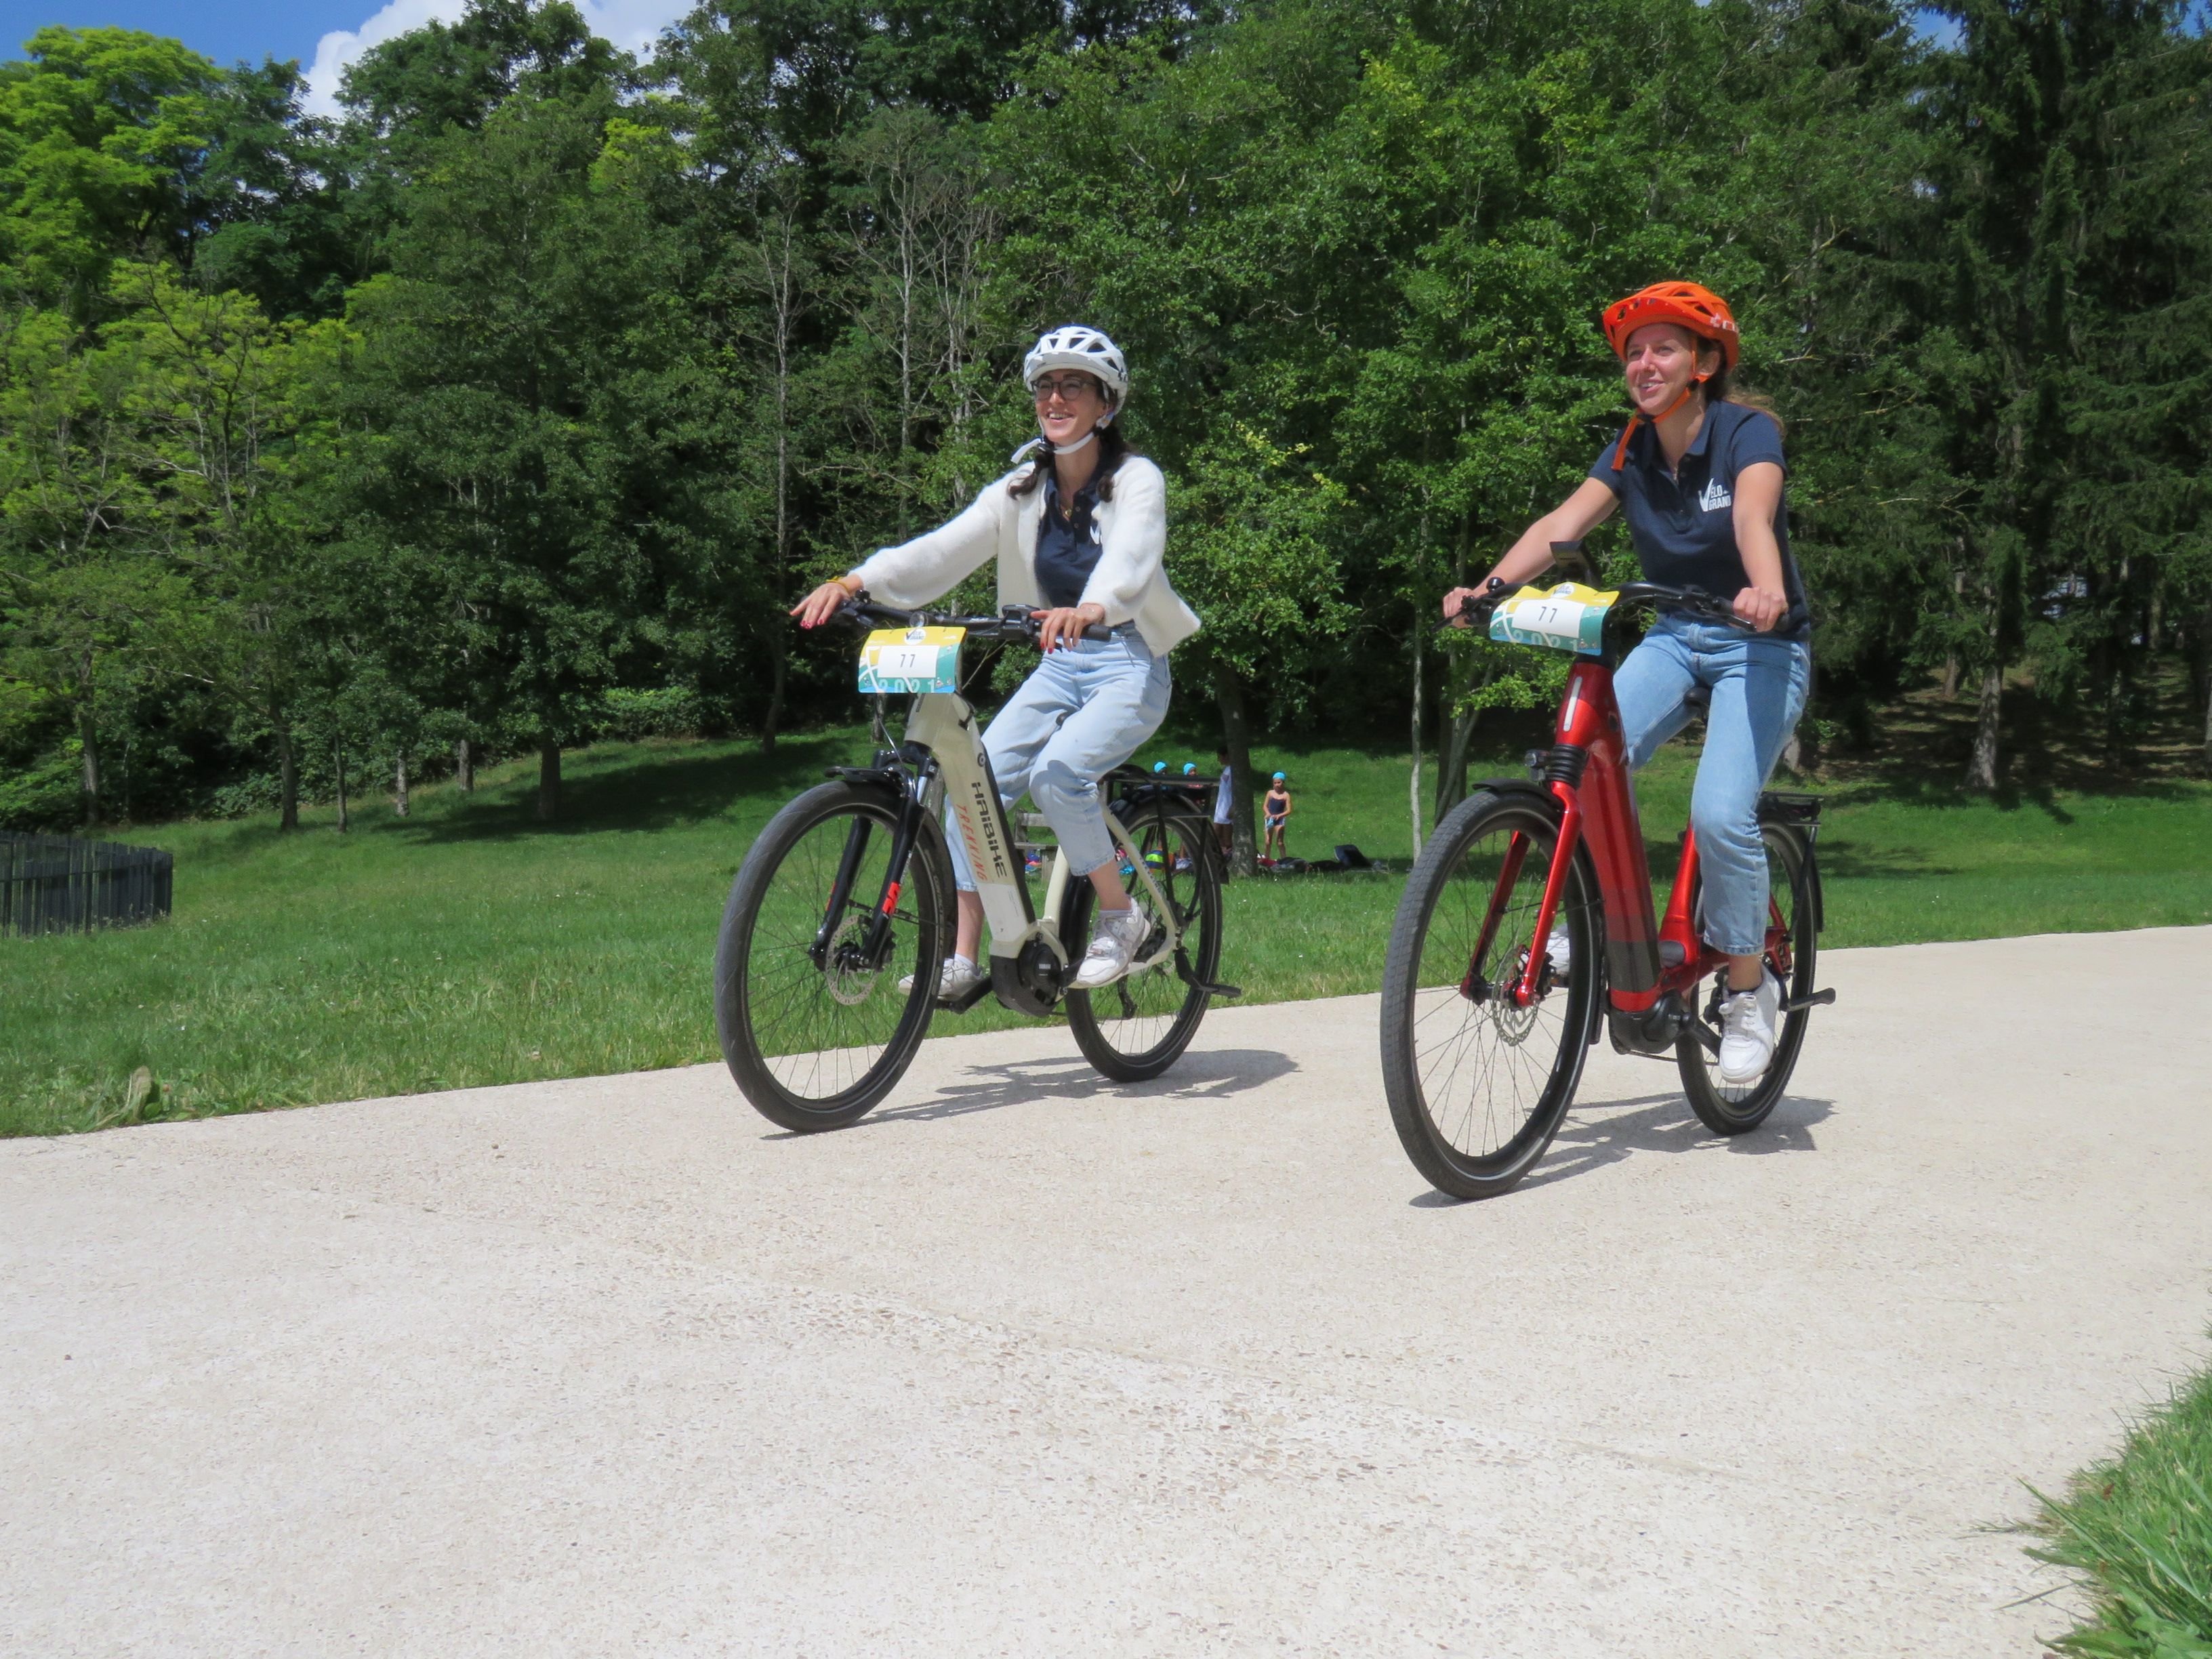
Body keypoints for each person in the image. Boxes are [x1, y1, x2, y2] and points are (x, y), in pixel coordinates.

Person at [1441, 281, 1811, 1085]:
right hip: (1676, 636)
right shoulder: (1631, 447)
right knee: (1578, 769)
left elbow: (1754, 518)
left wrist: (1765, 586)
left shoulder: (1749, 433)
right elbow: (1559, 527)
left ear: (1705, 363)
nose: (1645, 364)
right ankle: (1596, 915)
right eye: (1634, 352)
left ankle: (1750, 991)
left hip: (1760, 643)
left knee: (1718, 814)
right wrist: (1488, 588)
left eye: (1665, 348)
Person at [793, 325, 1200, 1001]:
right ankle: (964, 954)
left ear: (1106, 402)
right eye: (1046, 386)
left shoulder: (1135, 480)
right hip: (1061, 661)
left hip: (1127, 660)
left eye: (1074, 385)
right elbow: (941, 550)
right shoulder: (1021, 490)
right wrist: (854, 582)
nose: (1056, 397)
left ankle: (1121, 916)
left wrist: (1093, 607)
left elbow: (1132, 554)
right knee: (967, 785)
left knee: (1059, 774)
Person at [1261, 771, 1292, 861]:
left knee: (1280, 842)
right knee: (1268, 841)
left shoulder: (1286, 795)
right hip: (1270, 819)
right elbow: (1265, 806)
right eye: (1275, 783)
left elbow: (1289, 810)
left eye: (1279, 782)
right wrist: (1268, 813)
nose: (1277, 785)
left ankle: (1284, 860)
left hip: (1280, 820)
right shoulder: (1270, 793)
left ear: (1283, 782)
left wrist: (1279, 815)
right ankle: (1266, 859)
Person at [1212, 747, 1233, 855]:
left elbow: (1236, 790)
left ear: (1226, 756)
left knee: (1227, 840)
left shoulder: (1233, 770)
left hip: (1227, 808)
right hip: (1221, 807)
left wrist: (1233, 807)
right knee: (1216, 836)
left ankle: (1228, 856)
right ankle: (1221, 856)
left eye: (1219, 757)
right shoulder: (1227, 769)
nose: (1218, 759)